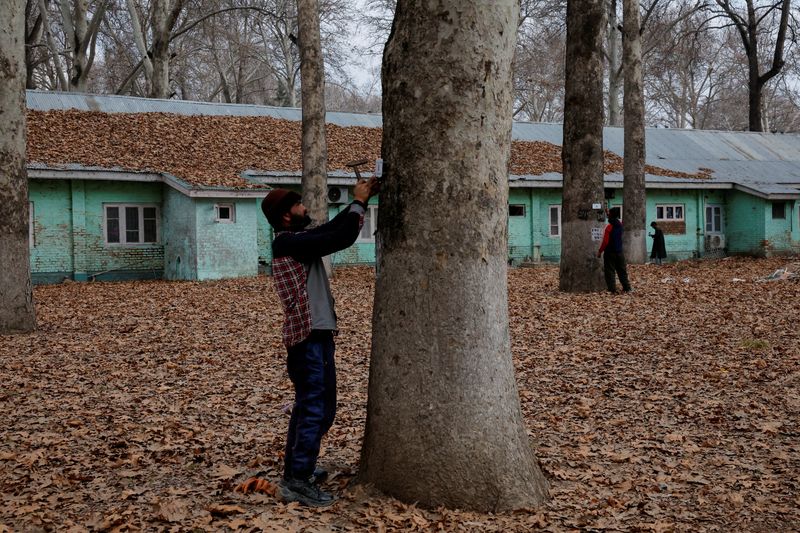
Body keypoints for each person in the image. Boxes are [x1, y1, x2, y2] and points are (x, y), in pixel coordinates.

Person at [261, 178, 378, 507]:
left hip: (315, 337)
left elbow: (331, 229)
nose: (306, 208)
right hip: (308, 339)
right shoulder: (289, 243)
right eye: (299, 206)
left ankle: (299, 470)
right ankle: (297, 480)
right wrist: (358, 202)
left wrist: (360, 201)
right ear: (286, 216)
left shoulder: (298, 240)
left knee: (315, 409)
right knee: (314, 409)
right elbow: (340, 235)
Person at [597, 207, 632, 293]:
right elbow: (612, 218)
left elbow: (605, 241)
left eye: (609, 214)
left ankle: (612, 289)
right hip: (619, 252)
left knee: (610, 271)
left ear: (611, 215)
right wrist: (608, 212)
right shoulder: (620, 224)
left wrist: (600, 251)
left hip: (610, 252)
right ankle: (627, 288)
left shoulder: (609, 227)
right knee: (622, 270)